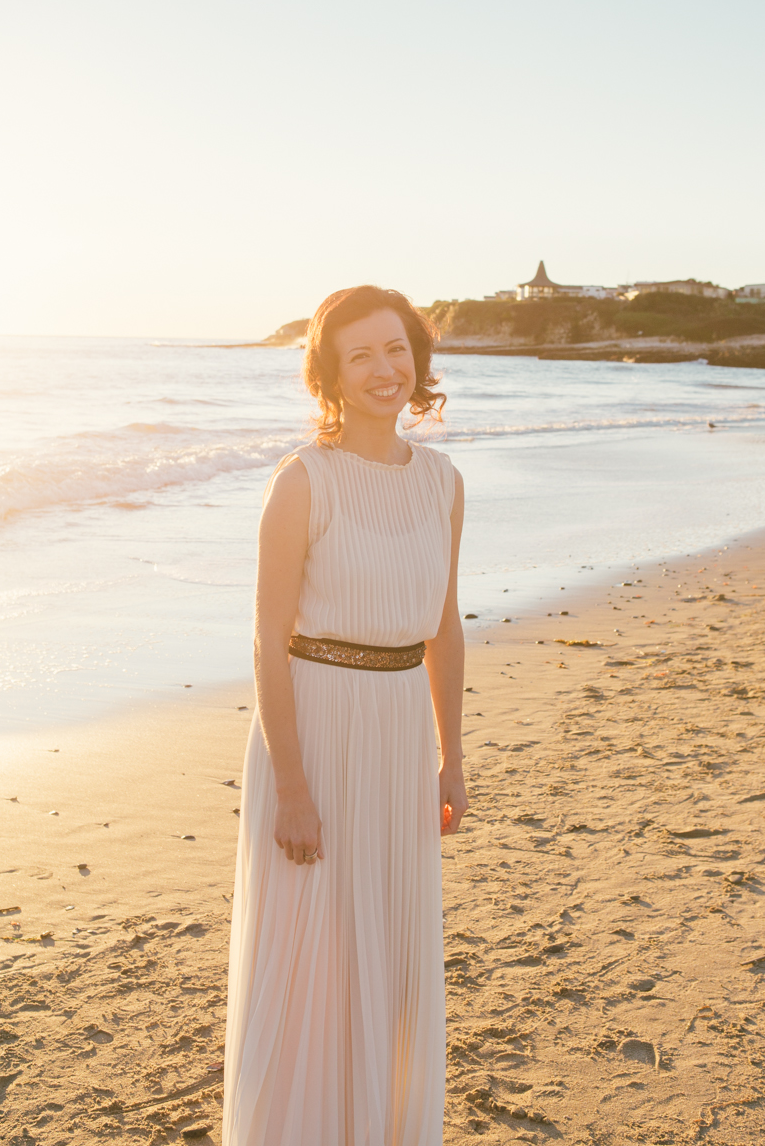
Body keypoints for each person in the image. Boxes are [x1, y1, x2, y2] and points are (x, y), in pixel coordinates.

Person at [221, 285, 467, 1146]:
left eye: (395, 350)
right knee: (312, 956)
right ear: (329, 371)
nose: (383, 370)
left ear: (418, 362)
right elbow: (267, 639)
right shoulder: (303, 480)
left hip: (400, 736)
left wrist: (453, 757)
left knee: (388, 943)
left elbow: (444, 628)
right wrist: (290, 786)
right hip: (316, 735)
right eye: (359, 354)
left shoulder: (442, 480)